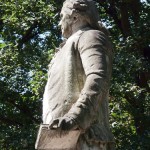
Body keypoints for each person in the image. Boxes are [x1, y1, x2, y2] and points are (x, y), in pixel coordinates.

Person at [42, 0, 115, 149]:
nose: (59, 22)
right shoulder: (66, 47)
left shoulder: (90, 36)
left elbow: (98, 78)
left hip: (85, 136)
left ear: (75, 17)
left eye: (62, 16)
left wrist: (75, 117)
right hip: (60, 137)